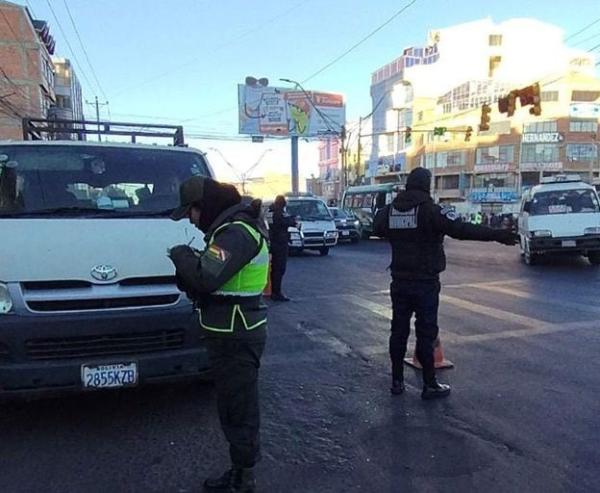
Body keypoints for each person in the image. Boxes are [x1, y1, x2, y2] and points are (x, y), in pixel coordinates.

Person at [373, 168, 518, 400]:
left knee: (398, 331)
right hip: (425, 283)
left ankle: (397, 381)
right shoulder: (431, 211)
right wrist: (497, 235)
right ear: (426, 185)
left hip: (399, 281)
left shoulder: (390, 211)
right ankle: (429, 384)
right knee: (426, 332)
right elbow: (461, 230)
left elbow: (376, 225)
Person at [168, 176, 269, 492]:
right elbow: (204, 278)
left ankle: (242, 478)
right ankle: (240, 471)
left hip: (236, 334)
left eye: (191, 212)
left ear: (205, 206)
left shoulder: (237, 234)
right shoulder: (228, 231)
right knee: (232, 405)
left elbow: (204, 277)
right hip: (230, 332)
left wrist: (181, 255)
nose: (190, 219)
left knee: (238, 408)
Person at [268, 195, 297, 302]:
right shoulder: (279, 212)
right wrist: (293, 221)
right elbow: (286, 222)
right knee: (279, 268)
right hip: (280, 243)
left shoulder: (269, 211)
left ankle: (273, 291)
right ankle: (276, 293)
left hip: (272, 241)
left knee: (274, 268)